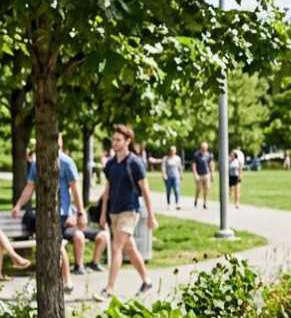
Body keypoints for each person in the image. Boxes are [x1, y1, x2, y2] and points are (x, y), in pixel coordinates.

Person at [10, 134, 87, 293]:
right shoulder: (37, 163)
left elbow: (75, 190)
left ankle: (67, 281)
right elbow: (30, 187)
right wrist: (18, 205)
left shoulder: (66, 162)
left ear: (60, 142)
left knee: (56, 243)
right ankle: (53, 281)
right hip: (43, 211)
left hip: (61, 212)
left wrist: (80, 212)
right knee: (49, 245)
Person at [96, 124, 157, 301]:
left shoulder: (135, 163)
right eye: (113, 139)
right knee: (129, 248)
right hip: (114, 211)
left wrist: (151, 215)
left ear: (127, 141)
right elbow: (107, 188)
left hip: (129, 210)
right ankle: (147, 281)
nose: (114, 143)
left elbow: (145, 189)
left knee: (116, 248)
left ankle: (109, 289)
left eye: (118, 140)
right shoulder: (111, 164)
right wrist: (103, 212)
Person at [192, 141, 213, 209]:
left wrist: (212, 172)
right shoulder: (197, 155)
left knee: (207, 188)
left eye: (205, 147)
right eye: (203, 147)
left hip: (206, 174)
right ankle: (196, 199)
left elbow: (211, 164)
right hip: (199, 174)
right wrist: (195, 174)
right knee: (199, 188)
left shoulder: (209, 155)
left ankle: (205, 202)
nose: (204, 148)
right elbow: (194, 165)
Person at [162, 146, 184, 210]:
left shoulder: (177, 158)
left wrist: (181, 174)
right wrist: (164, 174)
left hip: (176, 176)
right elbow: (163, 167)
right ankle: (168, 204)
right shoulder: (166, 158)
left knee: (177, 190)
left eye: (173, 150)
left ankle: (177, 203)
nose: (172, 151)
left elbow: (179, 167)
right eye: (171, 150)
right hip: (168, 177)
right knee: (168, 190)